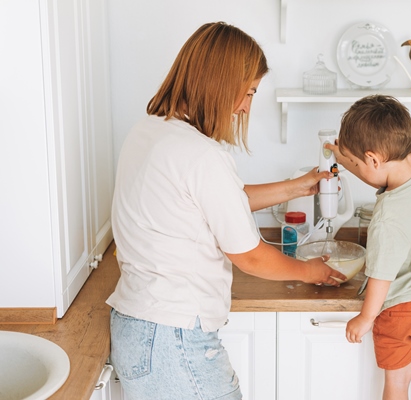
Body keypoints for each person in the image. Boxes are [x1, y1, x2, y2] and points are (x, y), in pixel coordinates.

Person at [106, 21, 345, 400]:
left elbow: (210, 202)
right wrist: (308, 271)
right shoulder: (202, 155)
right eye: (248, 92)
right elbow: (250, 256)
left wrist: (295, 187)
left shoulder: (150, 131)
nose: (246, 107)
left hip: (140, 328)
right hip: (175, 339)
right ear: (220, 81)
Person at [326, 95, 411, 400]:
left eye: (357, 163)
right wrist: (344, 158)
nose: (357, 167)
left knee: (398, 382)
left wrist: (365, 318)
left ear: (372, 159)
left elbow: (382, 276)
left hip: (402, 310)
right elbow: (376, 171)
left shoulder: (386, 218)